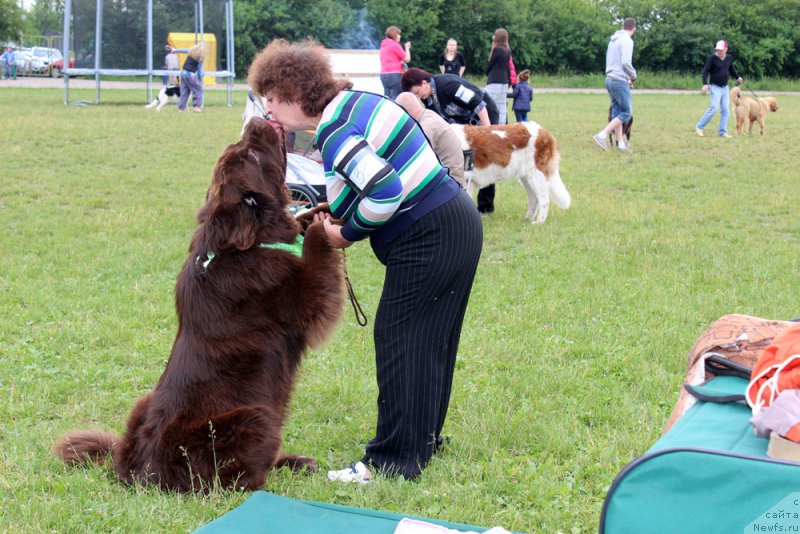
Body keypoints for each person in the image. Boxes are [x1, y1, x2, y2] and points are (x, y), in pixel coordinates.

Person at [248, 39, 483, 482]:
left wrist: (347, 232)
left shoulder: (333, 131)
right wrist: (342, 215)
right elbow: (378, 183)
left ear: (292, 93)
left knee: (400, 343)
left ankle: (391, 462)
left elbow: (386, 192)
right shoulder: (356, 103)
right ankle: (422, 440)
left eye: (271, 99)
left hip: (428, 233)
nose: (269, 110)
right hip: (455, 221)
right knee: (431, 342)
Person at [401, 67, 499, 215]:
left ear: (424, 83)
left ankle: (485, 206)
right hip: (464, 129)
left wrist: (487, 132)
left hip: (484, 116)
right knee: (467, 163)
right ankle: (466, 200)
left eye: (416, 92)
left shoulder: (447, 85)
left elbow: (478, 103)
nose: (418, 97)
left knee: (484, 158)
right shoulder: (428, 100)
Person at [395, 92, 465, 185]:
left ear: (404, 112)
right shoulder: (427, 115)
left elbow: (412, 157)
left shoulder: (426, 127)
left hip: (449, 182)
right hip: (449, 177)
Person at [592, 18, 637, 152]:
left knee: (617, 112)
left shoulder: (613, 40)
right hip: (619, 80)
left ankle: (620, 145)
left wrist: (626, 79)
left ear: (622, 26)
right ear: (634, 29)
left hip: (610, 79)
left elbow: (615, 63)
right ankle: (602, 135)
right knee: (627, 113)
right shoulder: (627, 41)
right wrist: (633, 76)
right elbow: (625, 63)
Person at [695, 40, 743, 138]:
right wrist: (704, 84)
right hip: (714, 87)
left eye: (720, 50)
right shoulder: (712, 58)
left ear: (726, 49)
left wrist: (738, 77)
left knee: (726, 111)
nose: (718, 52)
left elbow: (731, 69)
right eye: (717, 50)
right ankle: (699, 127)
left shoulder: (729, 58)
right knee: (714, 108)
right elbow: (705, 71)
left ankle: (722, 132)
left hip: (725, 88)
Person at [379, 26, 411, 100]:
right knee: (396, 97)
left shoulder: (383, 46)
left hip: (383, 75)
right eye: (398, 34)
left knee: (387, 96)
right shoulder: (395, 45)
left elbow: (390, 59)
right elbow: (407, 59)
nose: (400, 36)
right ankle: (396, 111)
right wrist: (407, 48)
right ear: (395, 35)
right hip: (394, 75)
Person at [177, 41, 209, 113]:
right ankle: (196, 106)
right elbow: (199, 70)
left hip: (183, 74)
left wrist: (174, 50)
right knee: (198, 90)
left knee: (184, 91)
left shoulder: (191, 52)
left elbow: (184, 50)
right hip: (190, 75)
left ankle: (181, 108)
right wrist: (200, 80)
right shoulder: (200, 58)